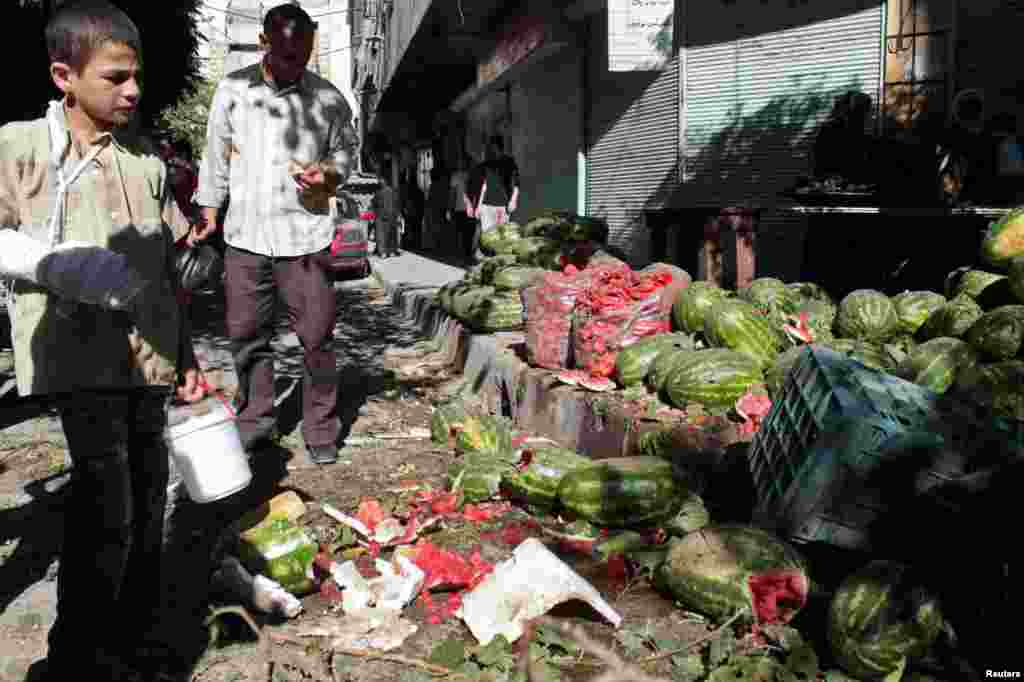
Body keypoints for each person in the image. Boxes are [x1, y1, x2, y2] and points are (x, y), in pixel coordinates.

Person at [0, 2, 205, 678]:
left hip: (149, 362)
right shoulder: (20, 147)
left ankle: (135, 635)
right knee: (105, 506)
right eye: (116, 77)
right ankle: (77, 658)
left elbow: (171, 264)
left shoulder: (145, 159)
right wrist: (44, 263)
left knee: (152, 502)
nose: (134, 91)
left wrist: (189, 357)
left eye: (136, 76)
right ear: (64, 75)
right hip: (77, 359)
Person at [192, 3, 357, 465]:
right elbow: (216, 153)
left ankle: (321, 429)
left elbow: (346, 151)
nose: (294, 64)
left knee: (318, 339)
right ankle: (256, 421)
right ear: (265, 44)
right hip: (245, 237)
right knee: (246, 335)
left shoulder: (327, 99)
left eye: (302, 55)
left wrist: (329, 175)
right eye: (285, 55)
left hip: (305, 238)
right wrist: (209, 208)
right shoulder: (234, 89)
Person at [469, 135, 520, 258]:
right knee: (488, 237)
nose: (489, 149)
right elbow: (484, 186)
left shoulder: (509, 162)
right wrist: (479, 206)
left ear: (496, 146)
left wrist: (513, 200)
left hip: (503, 206)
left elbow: (516, 183)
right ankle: (488, 261)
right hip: (487, 206)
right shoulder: (487, 164)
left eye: (490, 146)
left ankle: (499, 260)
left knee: (502, 237)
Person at [449, 154, 476, 261]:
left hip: (462, 208)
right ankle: (466, 254)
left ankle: (465, 254)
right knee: (467, 233)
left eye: (462, 162)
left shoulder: (457, 176)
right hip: (464, 208)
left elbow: (452, 193)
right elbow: (452, 194)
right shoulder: (470, 175)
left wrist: (449, 208)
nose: (460, 164)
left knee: (464, 233)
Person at [372, 163, 401, 258]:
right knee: (391, 234)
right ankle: (392, 251)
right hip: (392, 215)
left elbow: (374, 204)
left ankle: (383, 252)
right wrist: (397, 214)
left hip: (381, 216)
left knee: (381, 235)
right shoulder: (392, 191)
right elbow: (397, 203)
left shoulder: (378, 193)